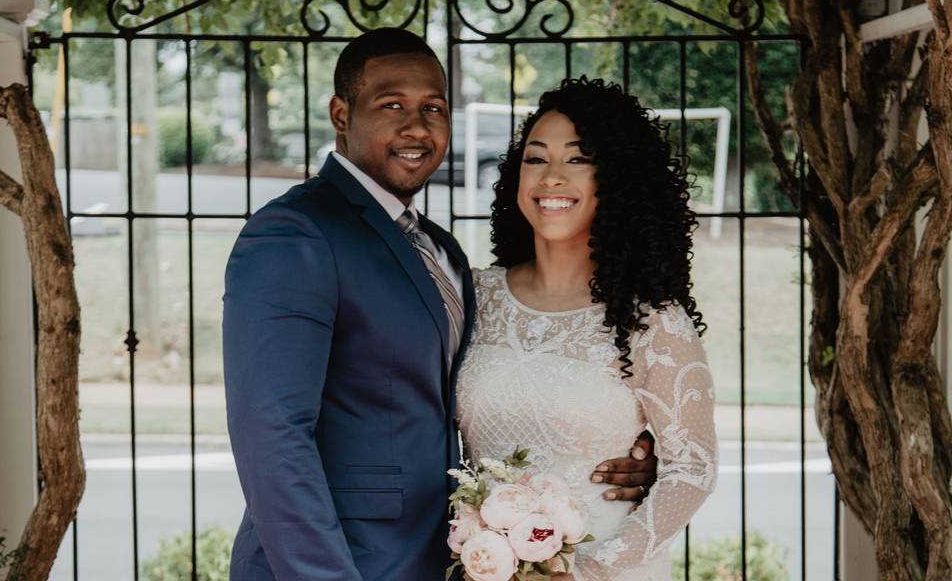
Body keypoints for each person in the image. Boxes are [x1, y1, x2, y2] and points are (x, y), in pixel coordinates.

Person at [222, 29, 657, 581]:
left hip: (434, 557)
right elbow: (272, 435)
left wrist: (628, 449)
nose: (417, 126)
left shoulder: (439, 248)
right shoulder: (295, 234)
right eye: (391, 105)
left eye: (433, 107)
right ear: (340, 113)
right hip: (338, 562)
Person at [456, 77, 717, 580]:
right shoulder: (474, 297)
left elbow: (691, 469)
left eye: (578, 159)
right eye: (535, 158)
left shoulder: (652, 320)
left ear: (614, 179)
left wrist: (584, 573)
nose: (552, 177)